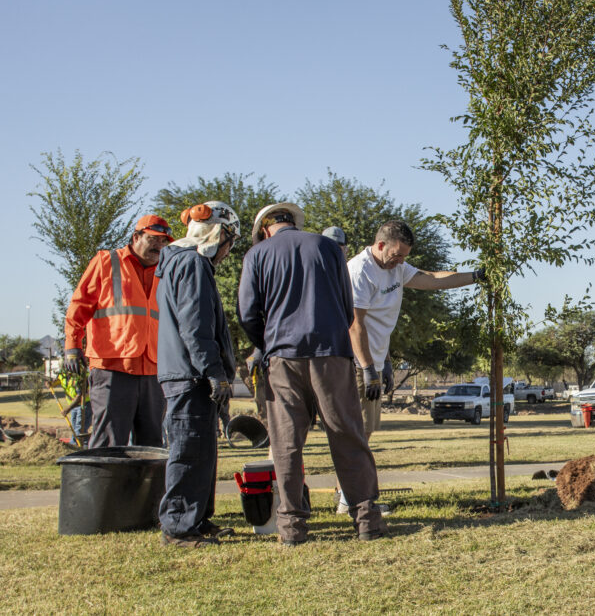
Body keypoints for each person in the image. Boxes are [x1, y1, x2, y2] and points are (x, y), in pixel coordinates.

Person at [238, 202, 386, 544]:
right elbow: (347, 306)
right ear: (294, 222)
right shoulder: (327, 247)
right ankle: (367, 521)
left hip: (282, 358)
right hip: (331, 354)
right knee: (348, 434)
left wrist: (269, 342)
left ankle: (291, 529)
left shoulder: (257, 254)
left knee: (286, 443)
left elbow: (247, 312)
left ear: (264, 229)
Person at [338, 219, 483, 513]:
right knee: (357, 434)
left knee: (366, 433)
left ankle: (351, 498)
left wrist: (476, 276)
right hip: (355, 364)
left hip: (375, 362)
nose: (401, 261)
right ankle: (353, 502)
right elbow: (356, 325)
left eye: (405, 256)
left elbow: (433, 279)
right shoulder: (360, 270)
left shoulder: (396, 268)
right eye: (397, 254)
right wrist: (367, 369)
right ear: (380, 245)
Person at [155, 201, 240, 548]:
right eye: (229, 242)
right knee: (189, 452)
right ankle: (178, 528)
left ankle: (197, 520)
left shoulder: (181, 262)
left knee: (202, 452)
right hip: (190, 375)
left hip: (189, 375)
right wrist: (214, 372)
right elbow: (196, 327)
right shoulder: (192, 263)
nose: (227, 252)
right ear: (219, 235)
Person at [63, 214, 172, 447]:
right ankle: (106, 485)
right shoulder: (106, 262)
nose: (159, 246)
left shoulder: (165, 272)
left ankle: (146, 485)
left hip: (153, 369)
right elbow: (79, 306)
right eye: (154, 239)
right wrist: (72, 346)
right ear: (136, 236)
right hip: (112, 368)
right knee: (109, 441)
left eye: (164, 242)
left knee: (152, 444)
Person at [56, 368, 90, 446]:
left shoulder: (79, 377)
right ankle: (74, 446)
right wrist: (50, 383)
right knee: (74, 428)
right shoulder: (63, 375)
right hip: (74, 405)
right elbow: (57, 381)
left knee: (80, 429)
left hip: (84, 404)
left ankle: (83, 448)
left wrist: (67, 409)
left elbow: (79, 396)